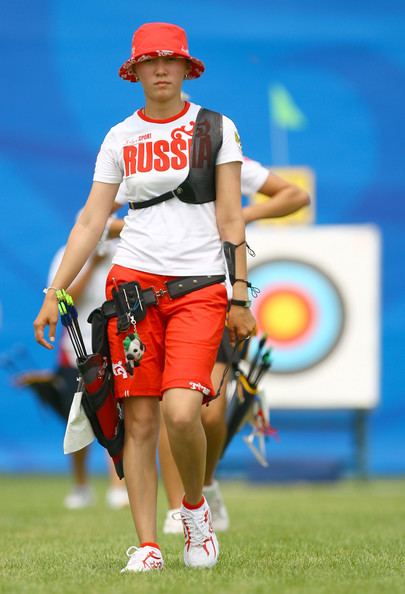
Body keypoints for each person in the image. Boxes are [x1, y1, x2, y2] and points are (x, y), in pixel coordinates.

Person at [34, 22, 256, 572]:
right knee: (137, 421)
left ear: (186, 68)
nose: (161, 70)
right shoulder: (118, 137)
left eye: (171, 60)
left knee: (183, 412)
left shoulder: (216, 128)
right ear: (133, 73)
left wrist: (240, 294)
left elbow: (231, 217)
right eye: (149, 62)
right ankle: (149, 546)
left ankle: (195, 514)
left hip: (201, 287)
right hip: (131, 289)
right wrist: (54, 293)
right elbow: (91, 221)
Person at [150, 157, 310, 533]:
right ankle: (177, 509)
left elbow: (296, 196)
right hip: (161, 295)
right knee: (169, 406)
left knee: (210, 412)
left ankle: (205, 484)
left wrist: (241, 217)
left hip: (215, 299)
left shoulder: (224, 158)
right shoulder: (149, 156)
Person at [48, 225, 130, 510]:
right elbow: (64, 299)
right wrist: (91, 262)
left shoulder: (125, 252)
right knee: (79, 418)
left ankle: (118, 486)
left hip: (115, 347)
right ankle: (81, 486)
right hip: (76, 351)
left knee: (117, 417)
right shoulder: (66, 255)